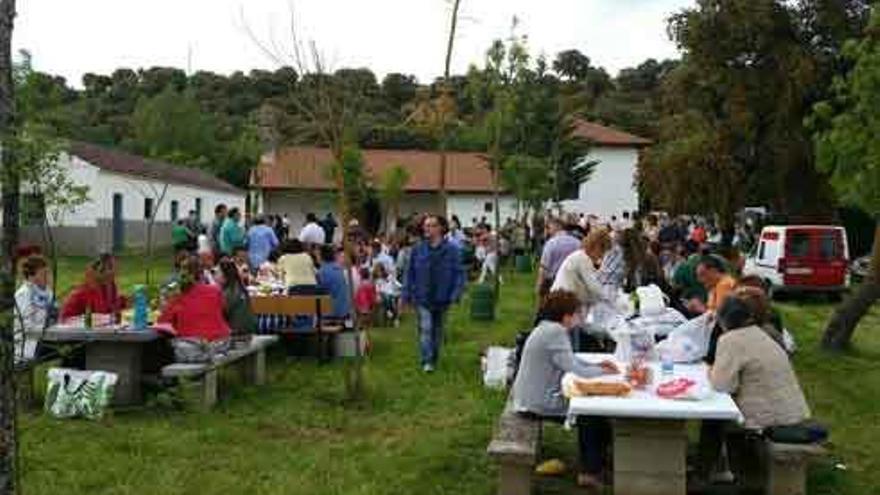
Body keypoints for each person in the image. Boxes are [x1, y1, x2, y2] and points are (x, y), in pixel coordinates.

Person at [512, 290, 619, 489]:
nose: (580, 317)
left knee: (597, 417)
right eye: (577, 313)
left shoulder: (547, 328)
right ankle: (589, 472)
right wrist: (606, 373)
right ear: (566, 316)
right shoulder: (556, 332)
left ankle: (598, 463)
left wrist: (598, 366)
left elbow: (569, 359)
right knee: (590, 417)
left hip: (528, 396)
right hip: (536, 401)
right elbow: (576, 369)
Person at [699, 290, 811, 480]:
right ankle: (715, 467)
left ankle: (706, 470)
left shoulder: (730, 340)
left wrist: (709, 370)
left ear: (722, 320)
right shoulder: (761, 333)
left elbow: (722, 385)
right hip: (792, 409)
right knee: (717, 419)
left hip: (770, 416)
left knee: (713, 421)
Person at [403, 215, 465, 373]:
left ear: (440, 228)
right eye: (426, 225)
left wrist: (456, 293)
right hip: (422, 296)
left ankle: (434, 357)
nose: (427, 228)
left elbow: (459, 273)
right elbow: (409, 273)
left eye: (431, 225)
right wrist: (406, 294)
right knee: (426, 327)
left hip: (442, 296)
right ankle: (427, 361)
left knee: (437, 330)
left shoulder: (452, 250)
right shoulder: (418, 249)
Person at [158, 255, 231, 363]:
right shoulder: (215, 290)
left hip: (193, 343)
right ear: (202, 274)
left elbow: (162, 322)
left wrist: (166, 305)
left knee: (166, 345)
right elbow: (224, 310)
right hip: (220, 341)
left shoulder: (178, 297)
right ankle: (209, 355)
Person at [61, 253, 128, 321]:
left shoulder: (110, 286)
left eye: (112, 268)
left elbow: (114, 306)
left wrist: (125, 301)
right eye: (104, 269)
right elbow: (100, 313)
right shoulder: (85, 291)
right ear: (95, 271)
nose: (111, 272)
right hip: (73, 327)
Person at [14, 255, 56, 361]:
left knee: (72, 345)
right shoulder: (24, 294)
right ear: (31, 276)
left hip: (45, 338)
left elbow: (54, 314)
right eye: (43, 274)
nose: (48, 277)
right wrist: (49, 330)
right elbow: (26, 327)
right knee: (70, 349)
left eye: (48, 273)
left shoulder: (47, 292)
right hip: (29, 343)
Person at [536, 218, 581, 298]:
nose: (548, 231)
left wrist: (539, 285)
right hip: (573, 282)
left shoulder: (550, 243)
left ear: (557, 227)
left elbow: (543, 268)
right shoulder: (577, 243)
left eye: (549, 228)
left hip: (554, 282)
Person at [214, 258, 257, 341]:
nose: (214, 276)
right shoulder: (239, 287)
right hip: (247, 329)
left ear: (225, 275)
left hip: (236, 332)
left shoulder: (229, 292)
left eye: (217, 273)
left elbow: (220, 313)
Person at [316, 245, 352, 322]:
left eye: (318, 255)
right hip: (343, 310)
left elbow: (319, 292)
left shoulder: (322, 272)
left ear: (321, 256)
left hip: (330, 313)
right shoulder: (339, 269)